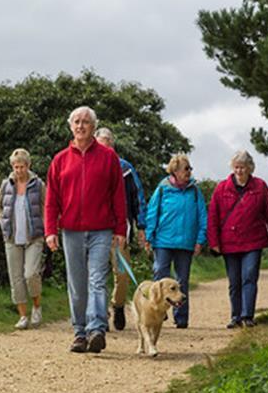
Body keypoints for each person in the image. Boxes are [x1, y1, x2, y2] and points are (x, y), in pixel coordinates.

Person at [45, 107, 127, 354]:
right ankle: (80, 332)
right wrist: (50, 230)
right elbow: (52, 200)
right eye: (77, 122)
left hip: (102, 229)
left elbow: (118, 196)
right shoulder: (60, 160)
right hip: (71, 230)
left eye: (86, 122)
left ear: (93, 126)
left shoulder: (108, 157)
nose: (81, 126)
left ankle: (97, 329)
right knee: (77, 284)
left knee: (97, 279)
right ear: (71, 126)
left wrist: (120, 229)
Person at [207, 150, 268, 328]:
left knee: (249, 277)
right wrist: (214, 242)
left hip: (253, 240)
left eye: (242, 167)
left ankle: (247, 315)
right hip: (229, 242)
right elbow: (213, 217)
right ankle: (235, 316)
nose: (239, 171)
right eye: (236, 167)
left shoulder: (260, 186)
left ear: (250, 168)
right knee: (234, 281)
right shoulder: (221, 188)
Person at [144, 154, 207, 328]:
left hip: (186, 243)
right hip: (163, 241)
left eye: (190, 169)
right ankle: (158, 312)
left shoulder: (194, 191)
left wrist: (200, 240)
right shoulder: (163, 189)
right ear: (175, 171)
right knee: (160, 277)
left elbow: (203, 216)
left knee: (182, 281)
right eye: (186, 169)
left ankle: (181, 318)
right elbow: (152, 213)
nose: (189, 172)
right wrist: (149, 236)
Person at [94, 127, 147, 331]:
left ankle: (117, 306)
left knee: (122, 274)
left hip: (119, 231)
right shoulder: (89, 165)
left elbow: (138, 198)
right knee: (96, 275)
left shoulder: (125, 168)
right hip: (95, 229)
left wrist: (141, 226)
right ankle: (99, 315)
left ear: (113, 148)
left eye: (106, 147)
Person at [0, 148, 47, 329]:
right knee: (16, 278)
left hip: (34, 236)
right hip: (11, 237)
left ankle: (36, 306)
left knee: (31, 274)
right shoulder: (6, 185)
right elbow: (0, 206)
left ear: (28, 166)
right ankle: (23, 316)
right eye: (16, 167)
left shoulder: (38, 185)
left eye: (22, 167)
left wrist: (47, 229)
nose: (19, 171)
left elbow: (46, 207)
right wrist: (2, 223)